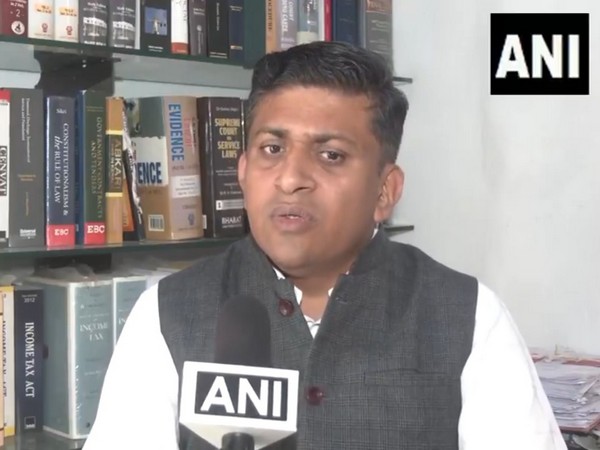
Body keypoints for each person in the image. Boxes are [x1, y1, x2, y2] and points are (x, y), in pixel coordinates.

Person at [83, 41, 566, 450]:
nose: (290, 178)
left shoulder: (469, 317)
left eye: (331, 155)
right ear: (243, 171)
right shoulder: (166, 314)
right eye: (272, 149)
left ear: (385, 191)